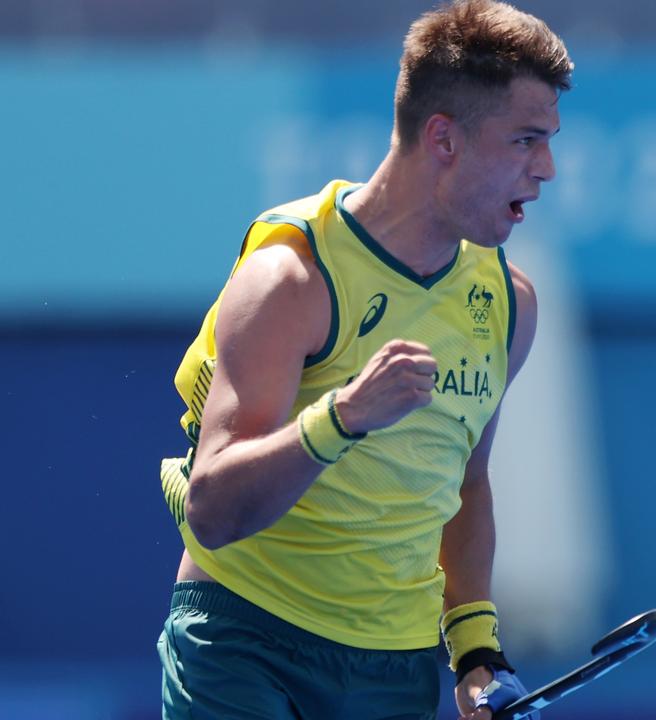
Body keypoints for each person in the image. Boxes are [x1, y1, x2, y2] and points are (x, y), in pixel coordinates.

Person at [155, 2, 572, 717]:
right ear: (443, 138)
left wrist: (476, 654)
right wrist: (341, 418)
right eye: (526, 140)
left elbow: (465, 488)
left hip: (396, 667)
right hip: (244, 643)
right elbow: (213, 510)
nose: (549, 169)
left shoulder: (511, 305)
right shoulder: (290, 279)